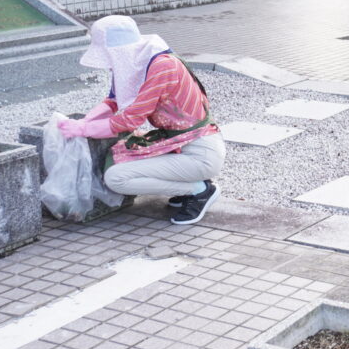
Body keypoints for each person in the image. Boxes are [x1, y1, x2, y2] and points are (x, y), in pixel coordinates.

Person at [59, 15, 225, 225]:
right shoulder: (143, 61)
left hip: (199, 153)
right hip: (179, 145)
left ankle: (200, 190)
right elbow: (113, 101)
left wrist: (82, 129)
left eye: (109, 58)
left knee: (116, 178)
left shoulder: (162, 67)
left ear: (119, 53)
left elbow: (129, 120)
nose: (110, 66)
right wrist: (82, 121)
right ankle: (191, 184)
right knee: (120, 156)